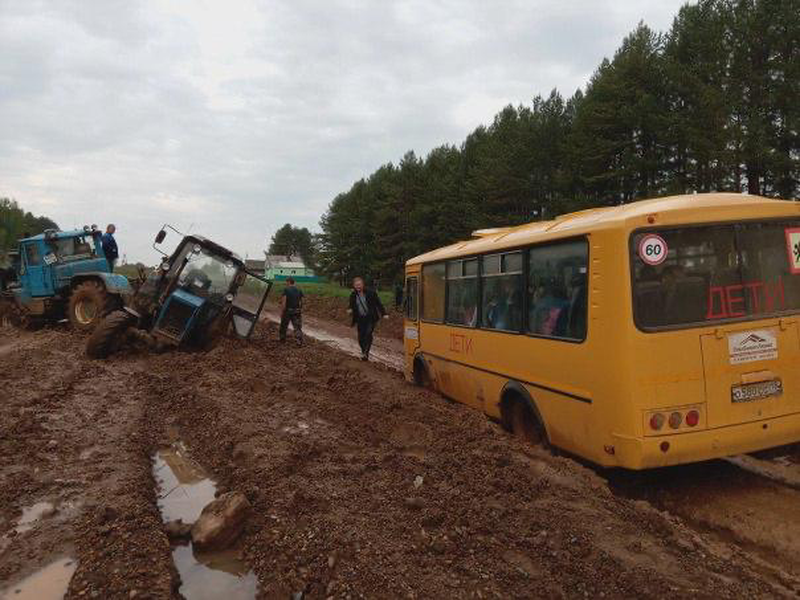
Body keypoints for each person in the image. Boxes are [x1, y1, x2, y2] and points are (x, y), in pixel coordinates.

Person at [348, 276, 387, 361]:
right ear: (354, 286)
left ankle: (366, 353)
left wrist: (384, 314)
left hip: (371, 318)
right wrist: (350, 309)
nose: (358, 286)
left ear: (363, 284)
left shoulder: (371, 293)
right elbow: (351, 304)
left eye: (359, 285)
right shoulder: (353, 295)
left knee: (368, 333)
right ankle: (363, 351)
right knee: (361, 337)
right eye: (356, 285)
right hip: (360, 318)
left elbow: (378, 303)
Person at [279, 277, 303, 345]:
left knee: (283, 326)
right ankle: (299, 341)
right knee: (297, 326)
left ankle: (282, 340)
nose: (285, 284)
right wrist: (300, 309)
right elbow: (301, 302)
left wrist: (282, 312)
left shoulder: (286, 290)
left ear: (289, 282)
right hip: (297, 311)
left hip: (288, 311)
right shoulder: (299, 290)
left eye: (286, 282)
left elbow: (284, 302)